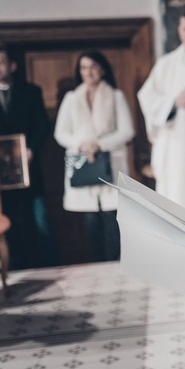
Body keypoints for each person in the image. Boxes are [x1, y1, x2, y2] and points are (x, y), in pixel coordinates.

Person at [0, 48, 56, 269]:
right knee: (7, 219)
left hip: (28, 167)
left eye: (0, 63)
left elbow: (42, 126)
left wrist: (31, 150)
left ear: (12, 66)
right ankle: (15, 265)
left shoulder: (31, 91)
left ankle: (48, 264)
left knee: (38, 218)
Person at [54, 51, 134, 261]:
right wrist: (82, 144)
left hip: (110, 161)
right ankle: (96, 263)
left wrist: (99, 144)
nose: (88, 72)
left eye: (93, 67)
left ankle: (116, 261)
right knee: (89, 218)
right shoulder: (71, 98)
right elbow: (60, 133)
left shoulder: (116, 95)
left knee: (112, 216)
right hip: (83, 163)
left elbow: (127, 130)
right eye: (84, 68)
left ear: (102, 69)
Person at [138, 6, 185, 212]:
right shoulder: (166, 63)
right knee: (176, 193)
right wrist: (173, 103)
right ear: (179, 30)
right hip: (175, 143)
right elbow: (147, 96)